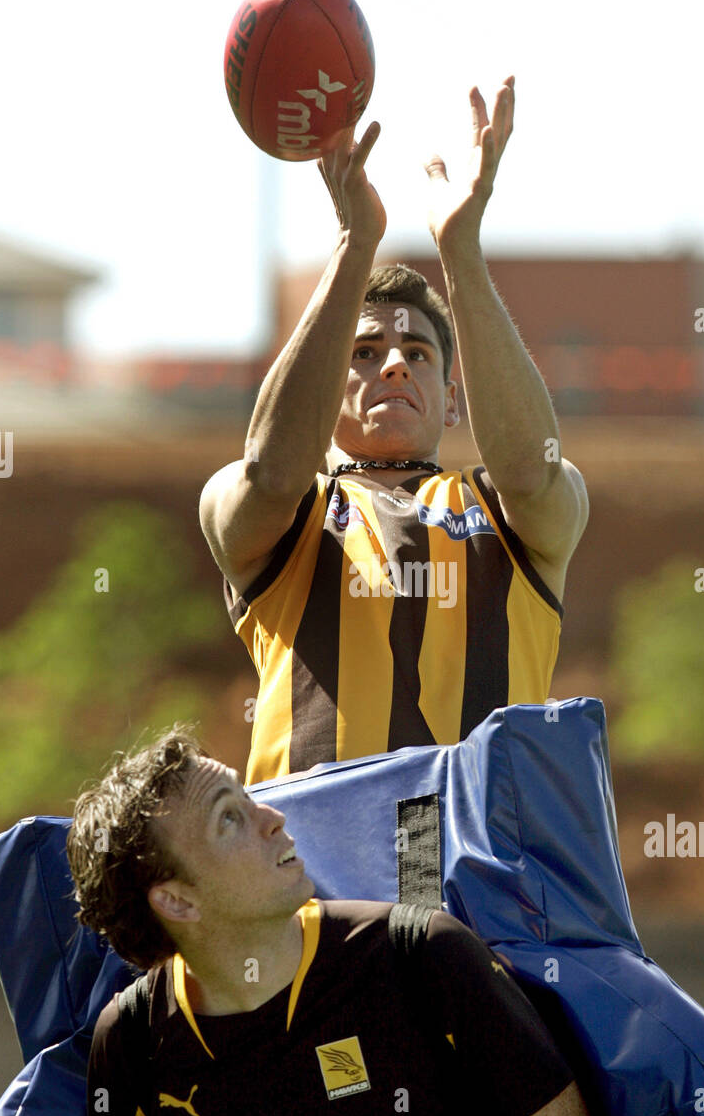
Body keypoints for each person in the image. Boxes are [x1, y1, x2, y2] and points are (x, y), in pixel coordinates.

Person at [68, 728, 611, 1116]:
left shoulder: (423, 957)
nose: (272, 817)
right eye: (229, 819)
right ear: (177, 901)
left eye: (247, 794)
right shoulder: (130, 1043)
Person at [200, 79, 589, 782]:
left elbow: (534, 469)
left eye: (417, 355)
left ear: (449, 400)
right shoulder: (283, 506)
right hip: (317, 878)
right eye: (363, 353)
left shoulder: (500, 509)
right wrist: (354, 243)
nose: (394, 367)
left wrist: (461, 251)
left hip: (482, 875)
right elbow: (270, 473)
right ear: (327, 385)